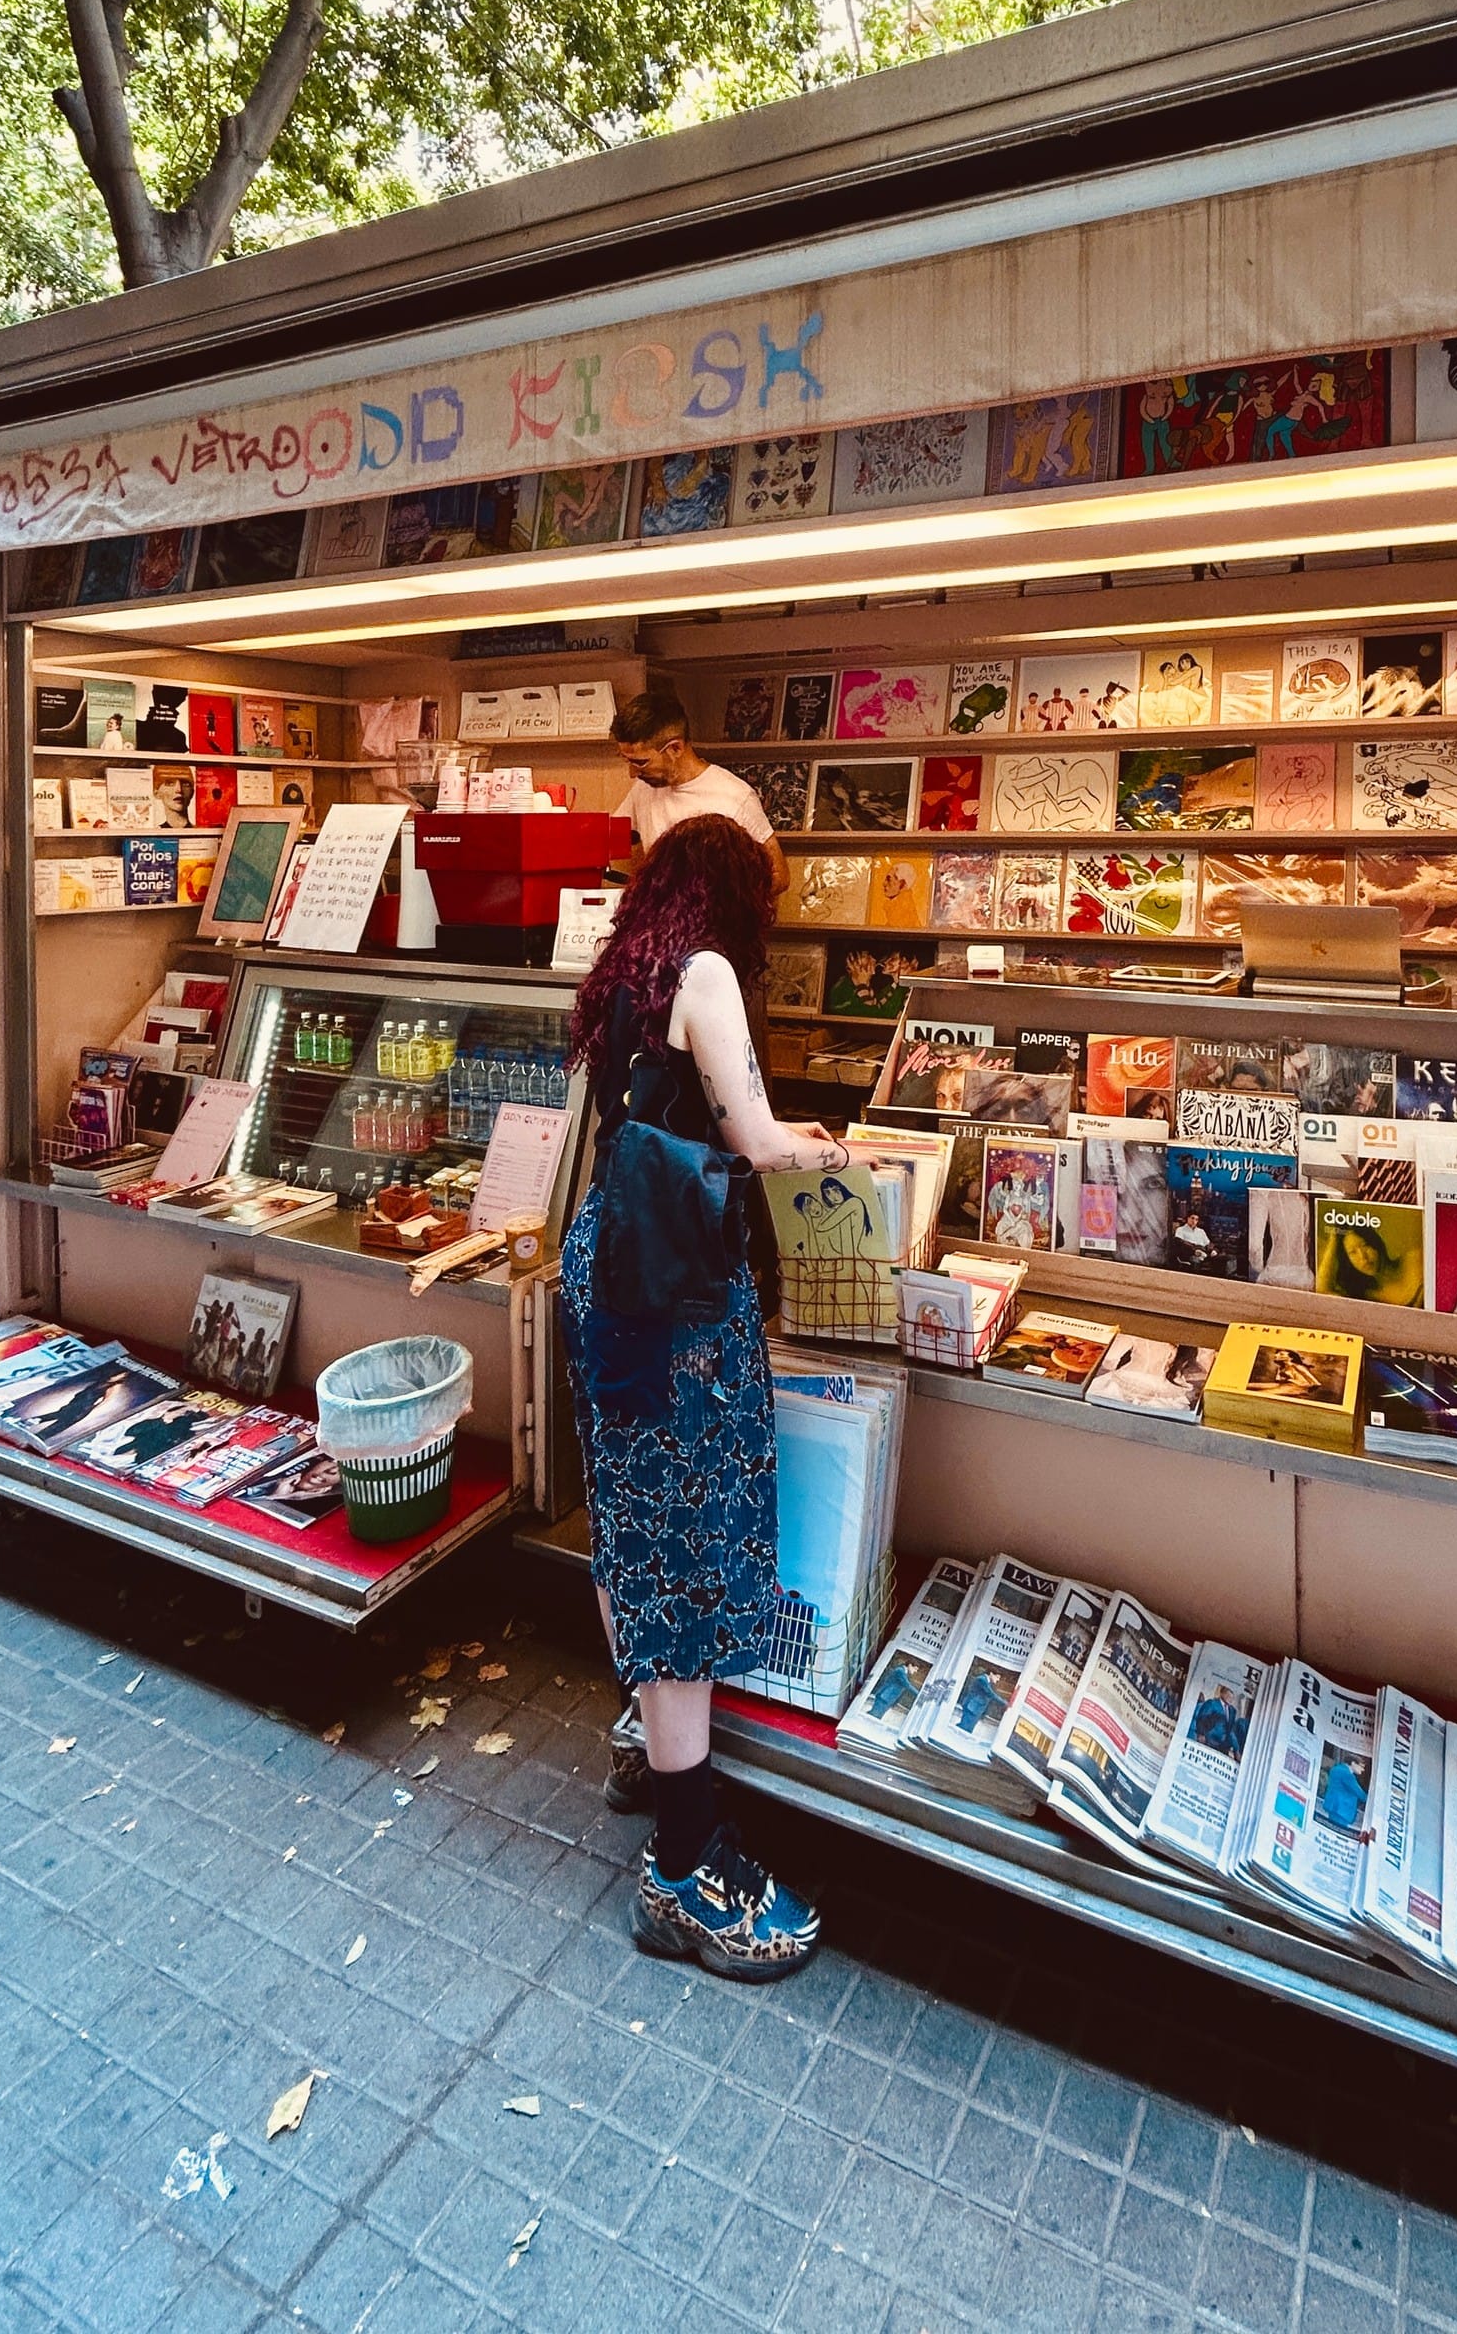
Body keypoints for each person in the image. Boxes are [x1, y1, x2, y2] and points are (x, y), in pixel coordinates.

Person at [560, 814, 844, 1980]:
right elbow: (755, 1136)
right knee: (682, 1544)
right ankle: (684, 1869)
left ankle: (646, 1744)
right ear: (736, 894)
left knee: (628, 1524)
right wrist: (826, 1148)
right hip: (674, 1296)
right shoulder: (709, 971)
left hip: (604, 1266)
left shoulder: (625, 975)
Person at [609, 688, 787, 895]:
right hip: (663, 922)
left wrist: (717, 903)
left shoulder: (734, 796)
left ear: (675, 748)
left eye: (640, 762)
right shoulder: (643, 788)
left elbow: (779, 876)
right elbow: (615, 836)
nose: (632, 772)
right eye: (627, 760)